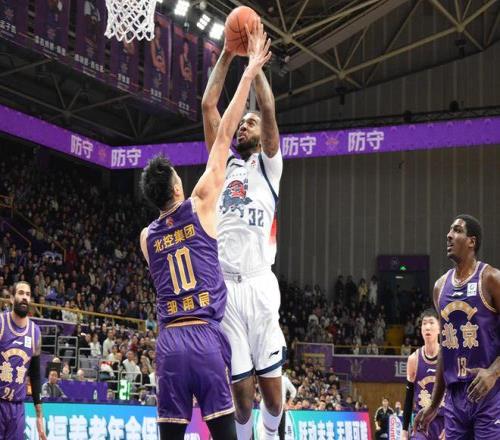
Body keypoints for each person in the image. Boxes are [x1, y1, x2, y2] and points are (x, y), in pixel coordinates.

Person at [139, 21, 271, 440]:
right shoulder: (199, 204)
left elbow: (209, 112)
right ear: (178, 187)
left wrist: (230, 54)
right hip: (204, 337)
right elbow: (224, 130)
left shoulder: (146, 238)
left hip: (169, 343)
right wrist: (246, 69)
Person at [202, 19, 285, 440]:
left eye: (248, 122)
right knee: (241, 399)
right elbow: (208, 106)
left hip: (259, 284)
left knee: (272, 397)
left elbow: (268, 109)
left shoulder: (269, 166)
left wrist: (256, 64)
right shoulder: (223, 163)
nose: (243, 125)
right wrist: (226, 53)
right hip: (226, 289)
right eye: (242, 123)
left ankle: (271, 434)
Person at [414, 215, 500, 439]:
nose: (449, 235)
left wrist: (493, 372)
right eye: (450, 230)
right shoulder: (440, 287)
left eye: (457, 230)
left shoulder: (491, 279)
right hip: (454, 398)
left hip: (490, 393)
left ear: (472, 241)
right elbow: (446, 348)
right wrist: (434, 404)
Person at [0, 281, 46, 439]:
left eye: (28, 294)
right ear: (12, 298)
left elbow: (35, 375)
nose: (25, 297)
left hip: (17, 407)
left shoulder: (35, 332)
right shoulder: (1, 323)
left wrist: (39, 415)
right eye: (20, 293)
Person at [402, 309, 444, 440]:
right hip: (422, 423)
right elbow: (409, 397)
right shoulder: (413, 359)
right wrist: (404, 430)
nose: (427, 327)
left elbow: (457, 394)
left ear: (440, 328)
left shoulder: (448, 356)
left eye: (431, 322)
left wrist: (453, 424)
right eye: (424, 323)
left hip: (445, 422)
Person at [278, 373, 297, 440]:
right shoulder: (284, 379)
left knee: (279, 432)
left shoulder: (284, 379)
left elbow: (294, 391)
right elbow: (294, 391)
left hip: (278, 407)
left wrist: (288, 404)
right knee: (280, 432)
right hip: (275, 407)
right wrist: (288, 403)